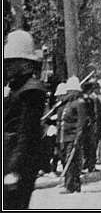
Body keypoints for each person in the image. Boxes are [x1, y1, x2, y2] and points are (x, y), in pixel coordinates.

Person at [3, 31, 47, 208]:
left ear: (25, 63)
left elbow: (26, 134)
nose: (7, 66)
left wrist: (14, 168)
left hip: (19, 162)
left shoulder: (31, 91)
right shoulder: (14, 88)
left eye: (12, 62)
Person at [58, 76, 87, 194]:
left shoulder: (79, 103)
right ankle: (74, 184)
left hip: (72, 136)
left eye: (71, 91)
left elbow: (81, 122)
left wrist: (77, 137)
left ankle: (70, 186)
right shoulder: (66, 104)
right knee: (66, 160)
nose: (69, 93)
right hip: (63, 137)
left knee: (70, 161)